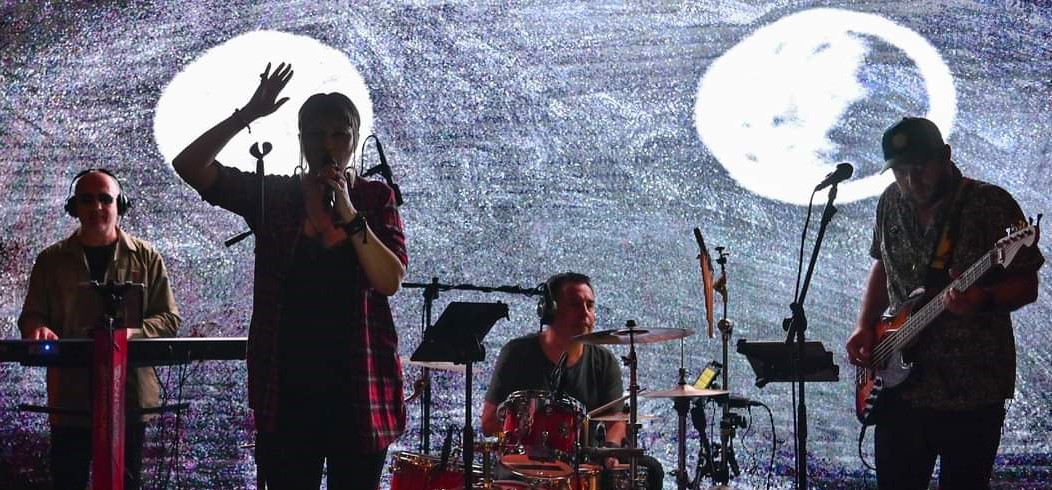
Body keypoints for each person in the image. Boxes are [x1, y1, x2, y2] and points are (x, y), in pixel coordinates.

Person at [171, 62, 408, 490]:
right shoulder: (275, 196)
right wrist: (247, 114)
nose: (328, 145)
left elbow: (389, 280)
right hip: (287, 393)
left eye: (339, 134)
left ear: (355, 139)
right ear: (300, 139)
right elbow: (189, 165)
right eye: (316, 134)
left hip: (359, 392)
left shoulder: (375, 198)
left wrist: (349, 213)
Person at [846, 117, 1043, 489]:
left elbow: (1026, 285)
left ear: (946, 156)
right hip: (899, 389)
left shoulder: (990, 204)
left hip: (971, 390)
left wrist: (982, 300)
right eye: (900, 171)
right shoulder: (890, 201)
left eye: (921, 167)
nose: (911, 180)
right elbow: (882, 264)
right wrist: (864, 325)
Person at [18, 168, 182, 490]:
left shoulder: (147, 257)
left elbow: (168, 318)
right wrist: (39, 329)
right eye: (87, 199)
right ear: (73, 207)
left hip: (129, 398)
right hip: (71, 398)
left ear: (121, 205)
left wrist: (129, 333)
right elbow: (32, 316)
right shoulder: (50, 261)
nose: (97, 207)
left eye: (105, 199)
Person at [481, 272, 663, 490]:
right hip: (522, 468)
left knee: (651, 469)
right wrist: (525, 423)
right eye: (576, 305)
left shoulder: (604, 361)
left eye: (590, 305)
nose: (585, 313)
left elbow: (615, 422)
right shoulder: (516, 353)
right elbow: (488, 423)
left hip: (583, 468)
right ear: (551, 311)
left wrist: (610, 449)